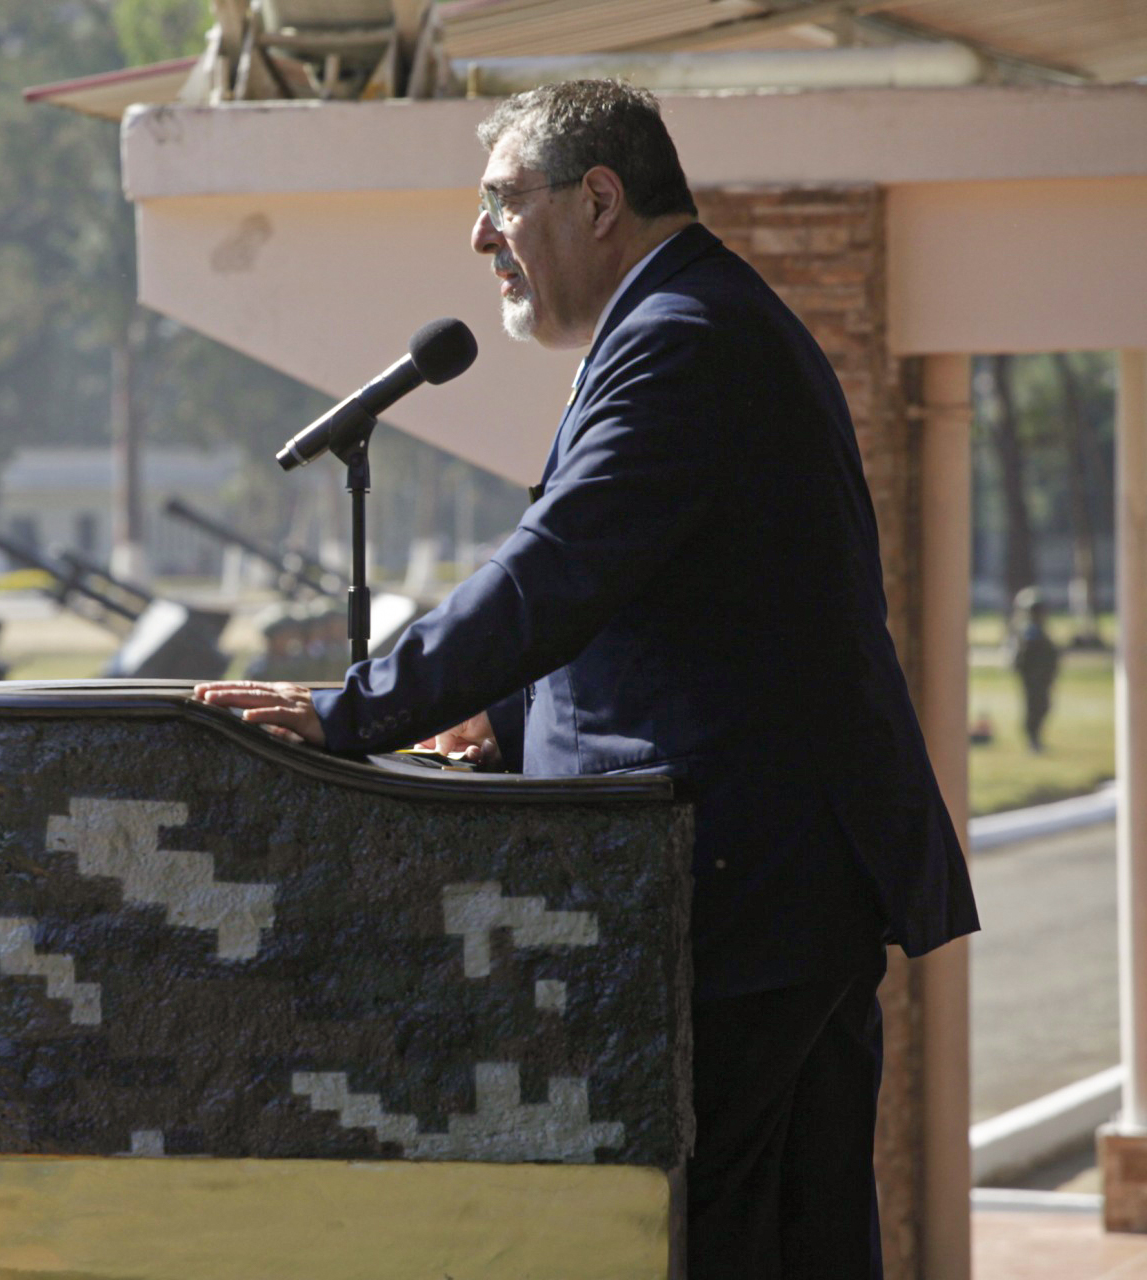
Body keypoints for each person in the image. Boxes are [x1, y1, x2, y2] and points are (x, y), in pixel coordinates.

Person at [195, 80, 978, 1278]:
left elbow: (560, 566)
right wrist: (498, 714)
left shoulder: (683, 338)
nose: (478, 237)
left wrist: (349, 712)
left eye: (503, 199)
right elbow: (653, 590)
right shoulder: (684, 320)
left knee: (680, 1240)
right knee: (789, 1243)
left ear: (599, 198)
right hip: (777, 885)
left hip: (742, 894)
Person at [1009, 586, 1060, 753]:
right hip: (1033, 678)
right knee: (1035, 707)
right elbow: (1027, 655)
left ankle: (1035, 739)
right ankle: (1033, 741)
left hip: (1043, 677)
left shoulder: (1038, 629)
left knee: (1043, 706)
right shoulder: (1029, 630)